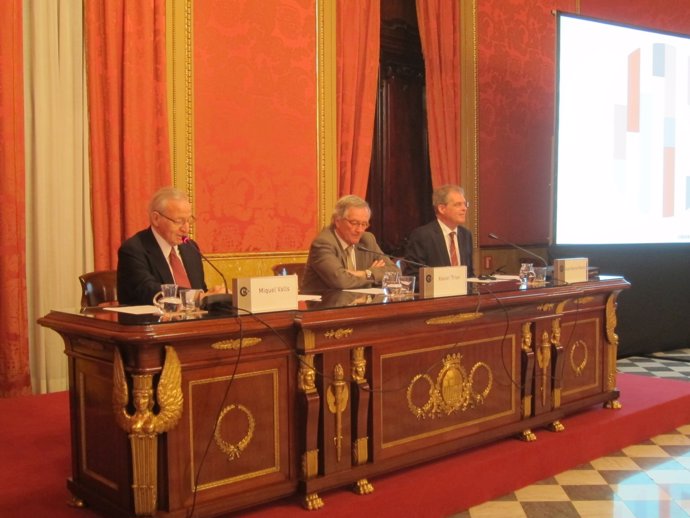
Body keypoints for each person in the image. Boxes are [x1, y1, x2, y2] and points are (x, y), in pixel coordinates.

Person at [117, 186, 221, 305]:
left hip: (193, 322)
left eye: (189, 221)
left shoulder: (190, 248)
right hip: (154, 321)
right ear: (156, 219)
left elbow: (200, 290)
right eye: (179, 221)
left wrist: (215, 296)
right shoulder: (134, 249)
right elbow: (149, 290)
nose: (185, 228)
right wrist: (197, 296)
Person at [300, 195, 400, 293]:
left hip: (360, 306)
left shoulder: (367, 240)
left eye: (364, 224)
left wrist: (367, 273)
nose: (360, 230)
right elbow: (341, 282)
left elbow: (395, 272)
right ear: (337, 221)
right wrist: (373, 275)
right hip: (324, 307)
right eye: (354, 223)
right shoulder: (323, 243)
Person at [403, 184, 474, 279]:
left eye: (465, 204)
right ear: (442, 209)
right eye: (458, 204)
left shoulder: (466, 235)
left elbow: (469, 274)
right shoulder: (422, 236)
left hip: (464, 293)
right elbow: (414, 276)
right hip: (436, 293)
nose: (464, 208)